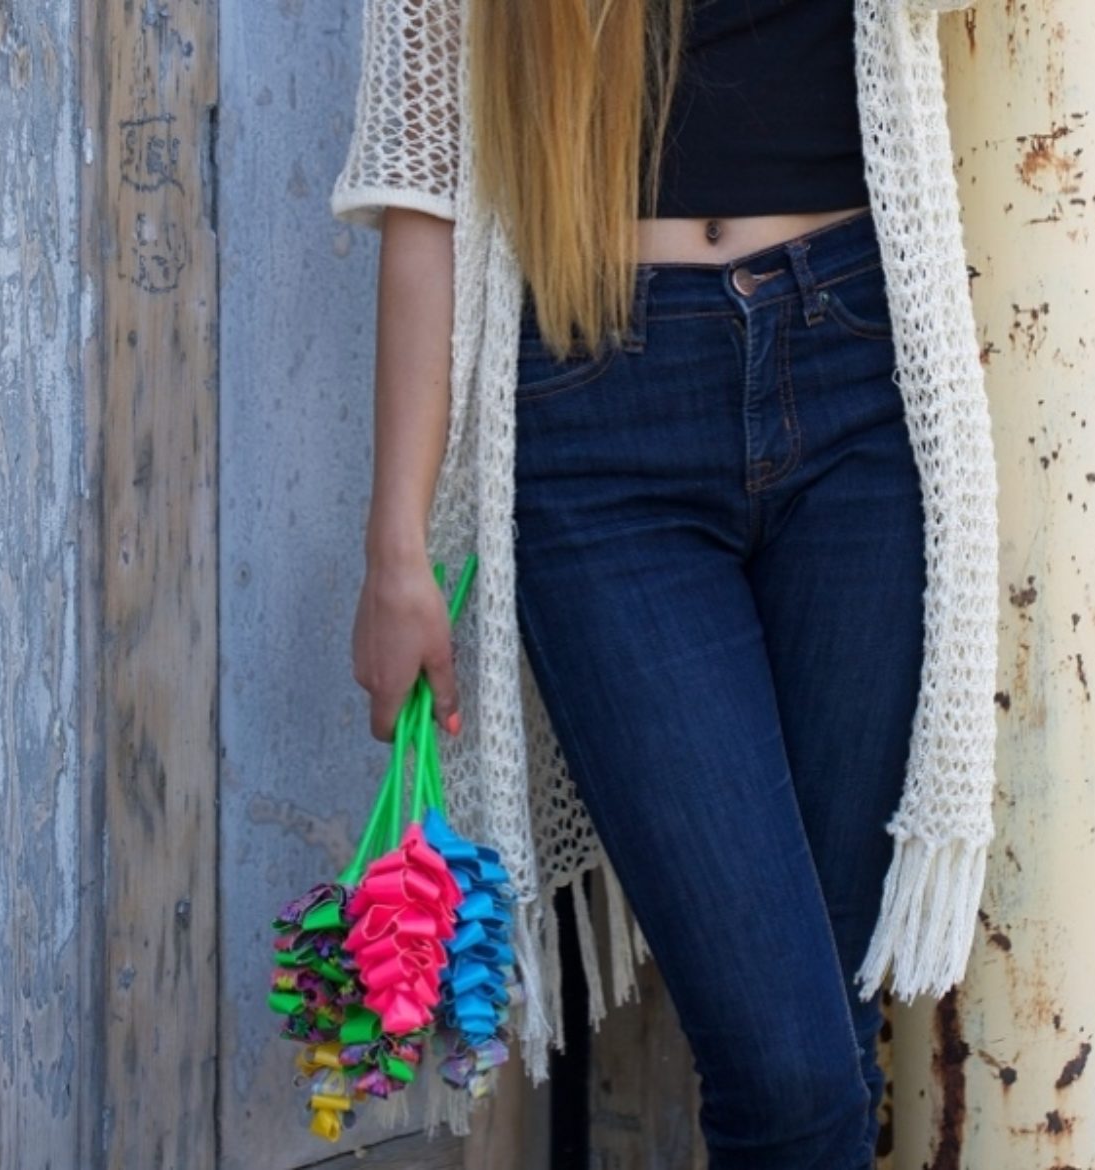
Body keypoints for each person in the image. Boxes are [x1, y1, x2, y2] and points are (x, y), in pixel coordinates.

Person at [332, 1, 999, 1166]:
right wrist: (396, 551)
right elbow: (421, 186)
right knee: (791, 1078)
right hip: (599, 429)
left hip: (855, 385)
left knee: (821, 1041)